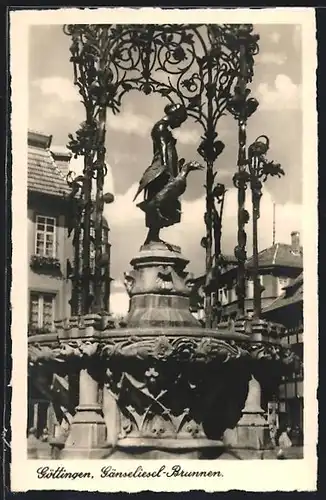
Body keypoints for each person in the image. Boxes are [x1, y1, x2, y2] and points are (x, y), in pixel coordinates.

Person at [133, 103, 189, 244]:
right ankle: (152, 237)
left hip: (165, 168)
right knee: (160, 201)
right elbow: (163, 149)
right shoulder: (161, 128)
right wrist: (168, 171)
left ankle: (153, 236)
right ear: (175, 117)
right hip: (162, 170)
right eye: (180, 121)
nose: (180, 125)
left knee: (163, 203)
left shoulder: (161, 127)